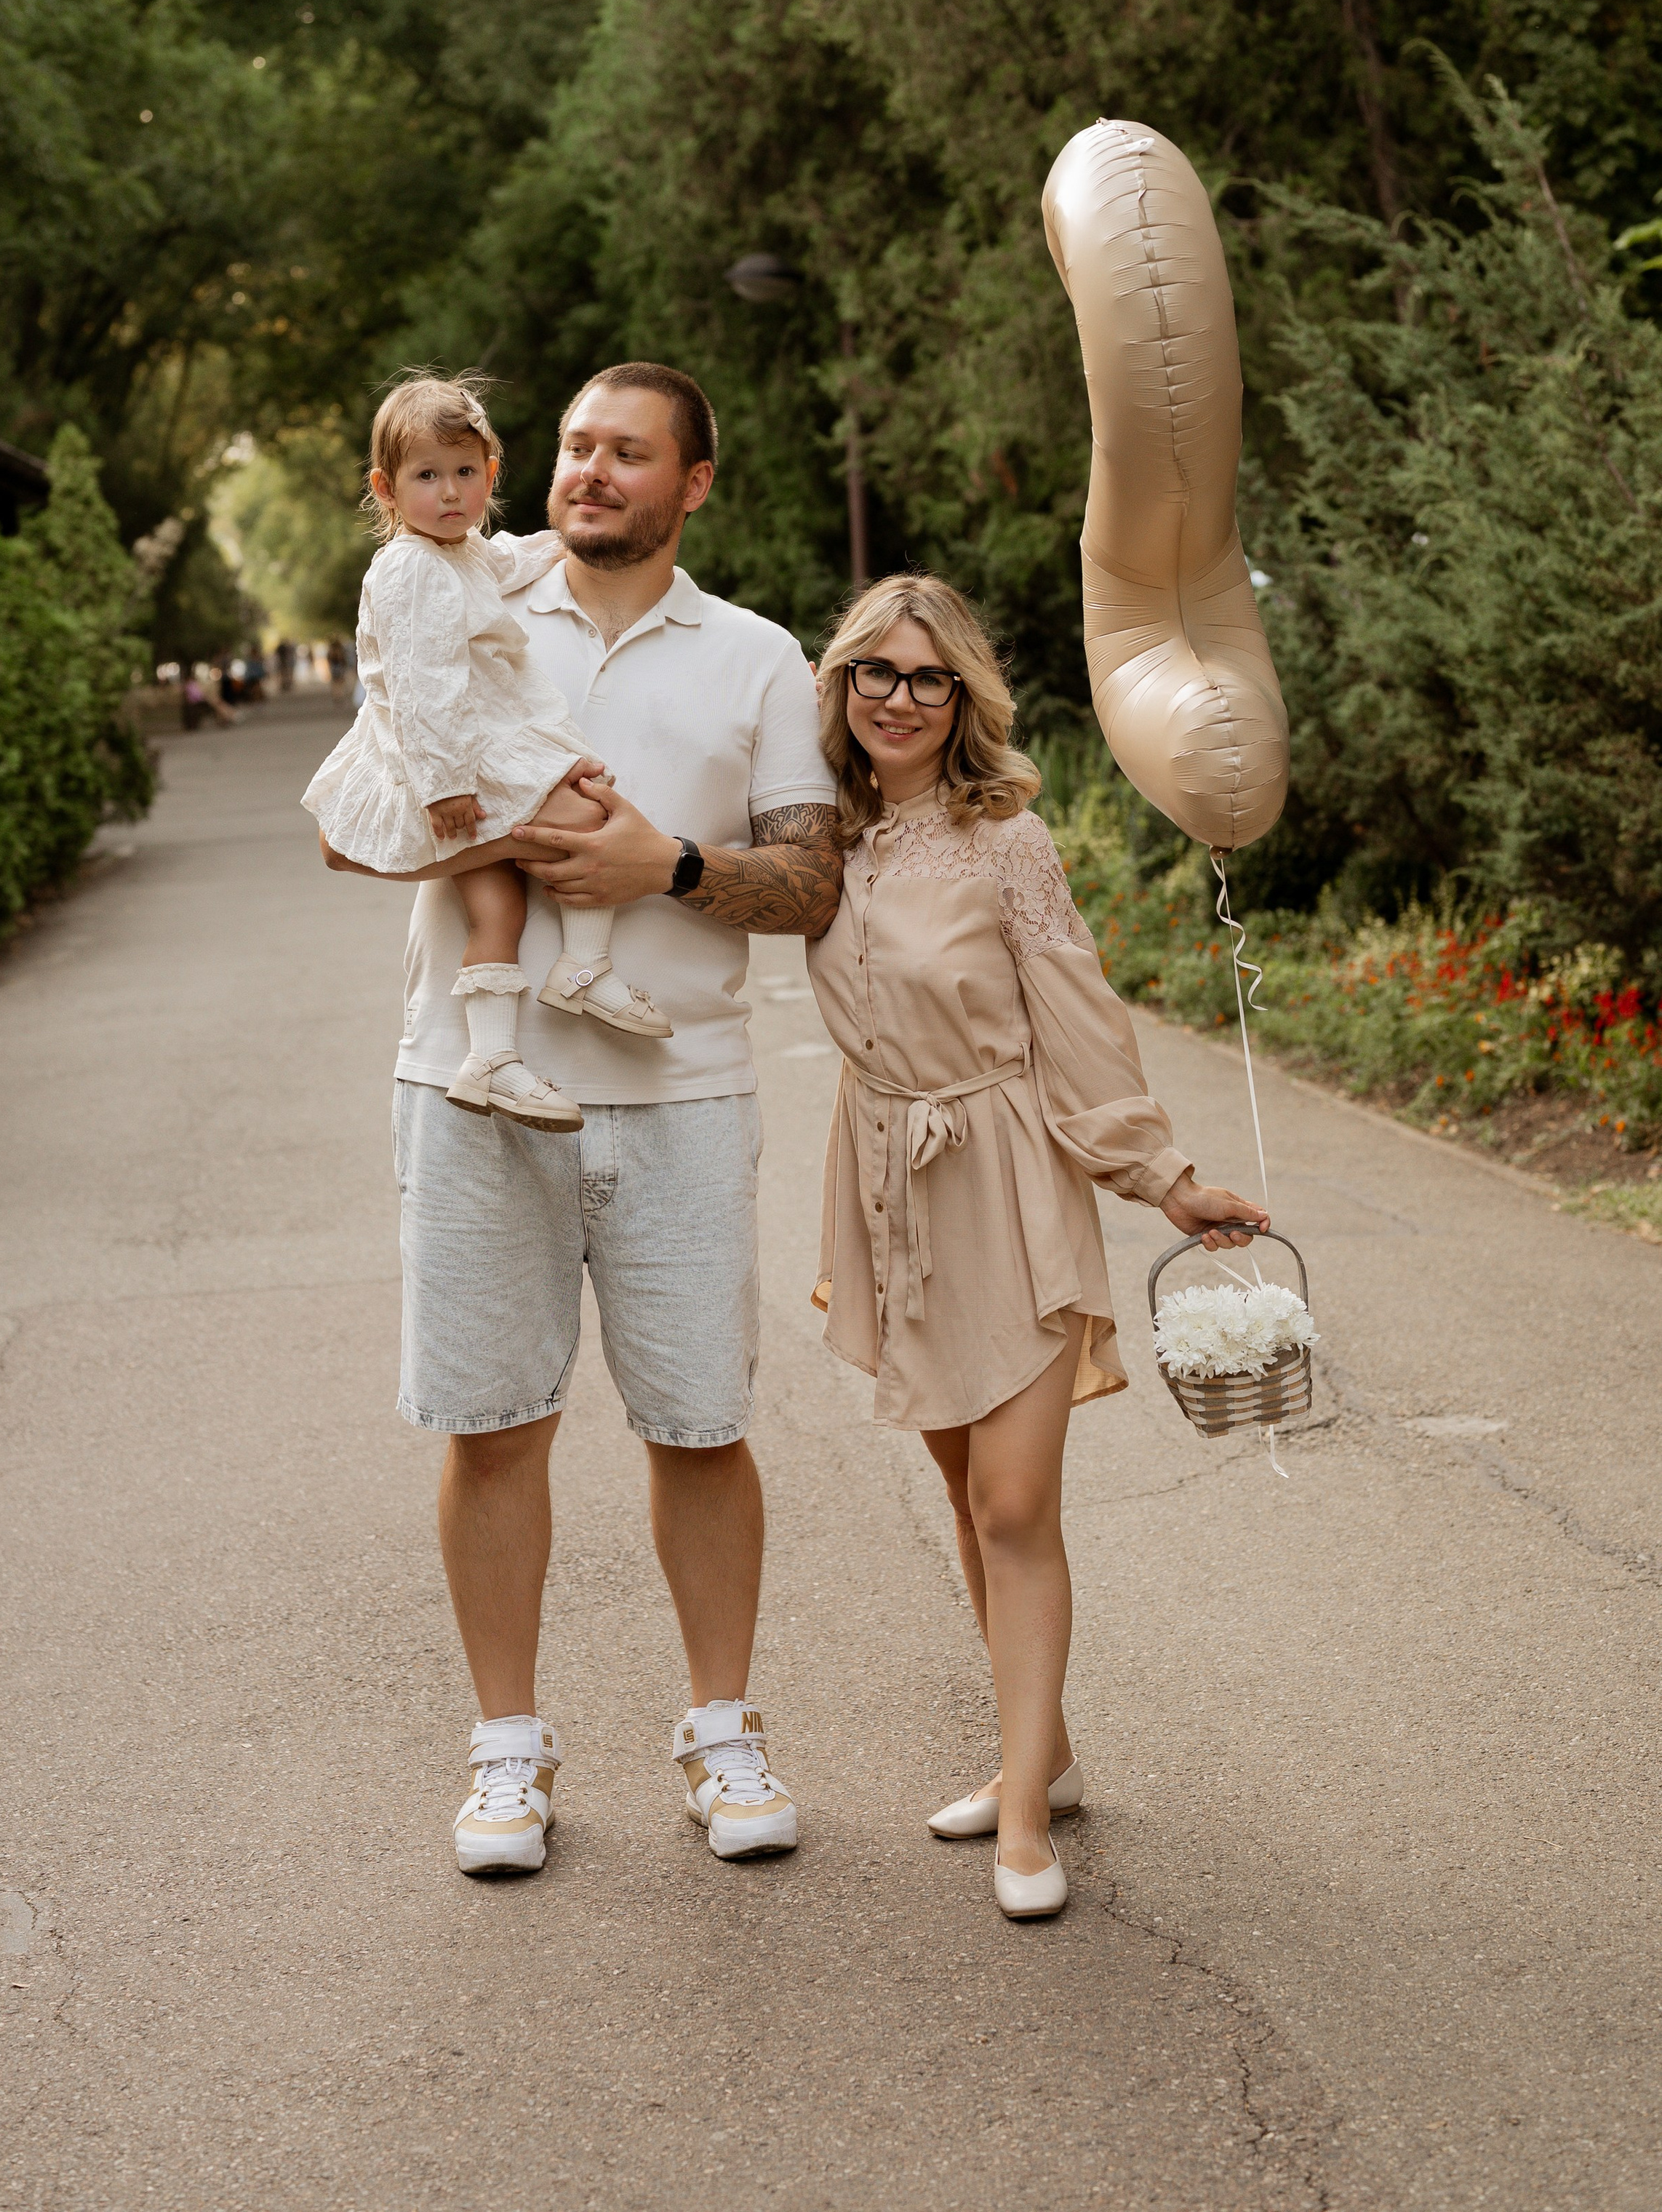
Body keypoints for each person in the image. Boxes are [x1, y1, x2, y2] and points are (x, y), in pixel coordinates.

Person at [318, 364, 841, 1877]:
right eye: (573, 447)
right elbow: (362, 827)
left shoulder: (755, 656)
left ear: (694, 483)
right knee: (491, 1429)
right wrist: (489, 829)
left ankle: (721, 1729)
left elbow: (808, 881)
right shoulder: (452, 593)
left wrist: (660, 868)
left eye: (627, 453)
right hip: (473, 1089)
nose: (588, 471)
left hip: (682, 1094)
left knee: (700, 1427)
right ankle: (504, 1755)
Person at [805, 574, 1267, 1922]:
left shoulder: (1008, 840)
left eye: (926, 676)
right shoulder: (817, 838)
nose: (897, 696)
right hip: (887, 1180)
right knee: (963, 1494)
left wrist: (1162, 1174)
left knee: (1014, 1503)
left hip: (1004, 1178)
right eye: (875, 672)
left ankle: (1021, 1810)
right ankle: (1043, 1754)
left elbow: (1077, 1016)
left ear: (964, 700)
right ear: (840, 686)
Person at [303, 371, 671, 1133]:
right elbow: (419, 685)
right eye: (427, 476)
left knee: (498, 906)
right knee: (585, 807)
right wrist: (444, 785)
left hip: (470, 744)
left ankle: (490, 1058)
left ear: (490, 475)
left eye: (465, 472)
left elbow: (503, 563)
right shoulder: (408, 568)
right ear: (386, 487)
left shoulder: (460, 552)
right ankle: (582, 968)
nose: (449, 492)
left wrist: (562, 539)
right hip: (447, 755)